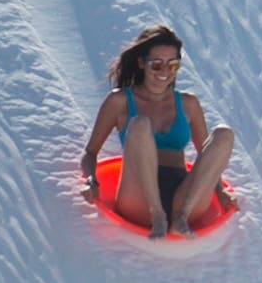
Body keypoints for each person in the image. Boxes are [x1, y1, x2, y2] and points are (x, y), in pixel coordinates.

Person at [80, 24, 236, 238]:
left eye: (172, 65)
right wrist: (91, 180)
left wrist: (221, 192)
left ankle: (179, 217)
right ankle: (157, 215)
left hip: (184, 196)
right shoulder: (120, 101)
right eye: (156, 65)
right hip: (139, 196)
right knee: (140, 125)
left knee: (223, 135)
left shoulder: (188, 104)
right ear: (141, 63)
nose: (164, 72)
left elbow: (207, 158)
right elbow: (90, 152)